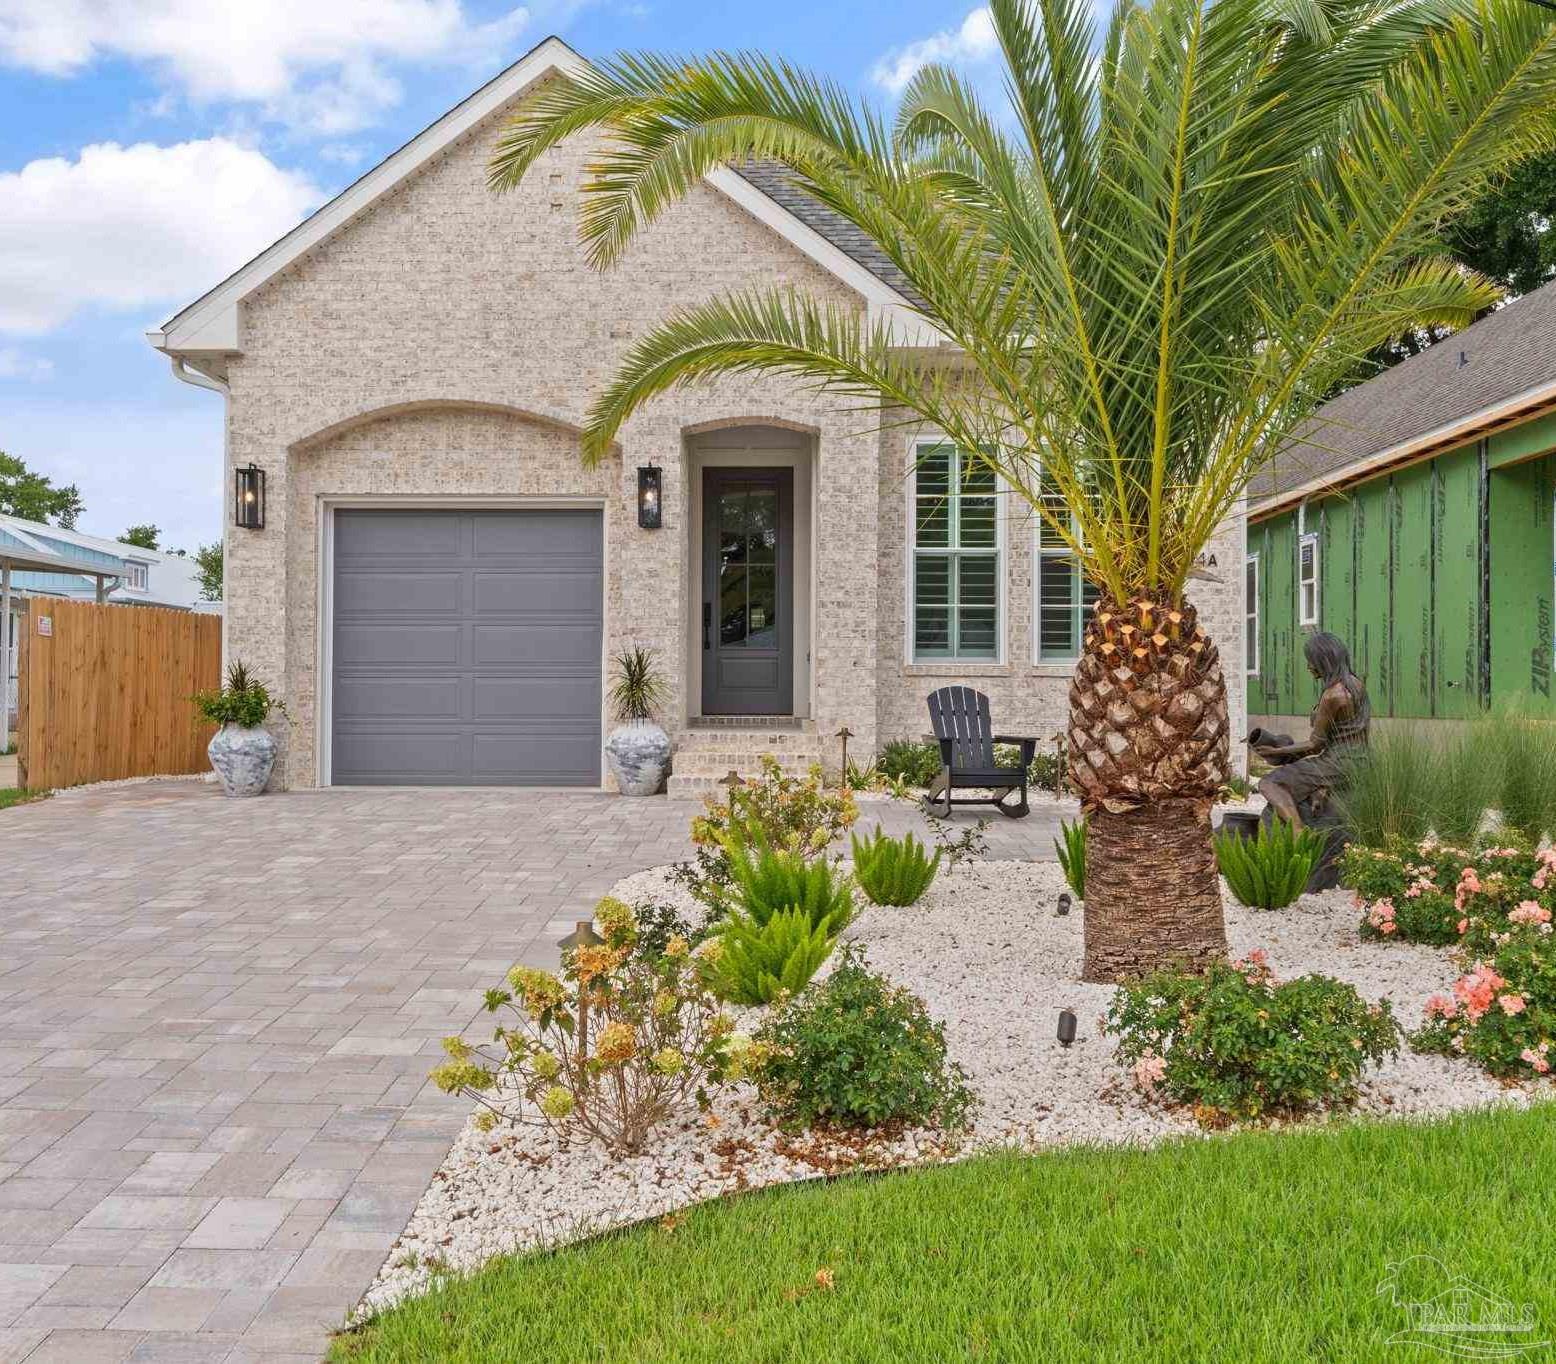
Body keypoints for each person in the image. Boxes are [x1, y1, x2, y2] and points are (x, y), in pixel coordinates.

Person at [1254, 632, 1371, 831]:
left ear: (1324, 661)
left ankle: (1297, 831)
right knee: (1302, 775)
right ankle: (1319, 794)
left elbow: (1315, 744)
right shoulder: (1357, 684)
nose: (1308, 666)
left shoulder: (1332, 695)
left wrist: (1276, 752)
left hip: (1337, 764)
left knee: (1269, 783)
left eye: (1311, 661)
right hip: (1361, 761)